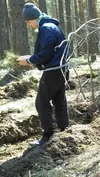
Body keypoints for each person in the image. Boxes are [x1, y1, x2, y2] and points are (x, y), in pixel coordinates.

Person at [17, 3, 69, 146]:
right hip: (62, 69)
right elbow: (51, 50)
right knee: (59, 99)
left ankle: (47, 135)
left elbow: (46, 54)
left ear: (33, 18)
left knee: (41, 102)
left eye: (28, 21)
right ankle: (64, 129)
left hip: (53, 71)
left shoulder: (46, 28)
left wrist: (29, 60)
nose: (28, 24)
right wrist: (32, 56)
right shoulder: (52, 26)